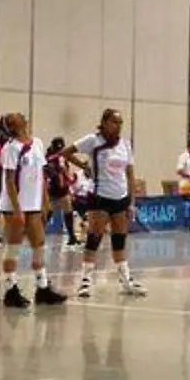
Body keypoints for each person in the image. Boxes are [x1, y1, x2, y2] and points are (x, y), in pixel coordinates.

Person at [57, 109, 146, 299]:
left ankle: (126, 280)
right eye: (114, 122)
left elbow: (130, 174)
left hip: (120, 197)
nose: (118, 126)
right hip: (100, 197)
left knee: (119, 240)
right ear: (104, 122)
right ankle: (85, 281)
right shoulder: (93, 141)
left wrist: (131, 201)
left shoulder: (125, 145)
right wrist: (83, 165)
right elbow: (65, 153)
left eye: (120, 122)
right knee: (94, 238)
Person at [0, 112, 67, 308]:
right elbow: (9, 180)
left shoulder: (37, 143)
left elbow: (40, 175)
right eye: (16, 117)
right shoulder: (10, 148)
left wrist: (44, 201)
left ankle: (42, 288)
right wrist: (17, 209)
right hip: (15, 206)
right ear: (12, 125)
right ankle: (10, 290)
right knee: (13, 246)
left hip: (33, 204)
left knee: (39, 244)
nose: (22, 116)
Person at [45, 137, 80, 247]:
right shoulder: (52, 158)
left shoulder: (56, 156)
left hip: (58, 188)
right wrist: (66, 182)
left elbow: (64, 170)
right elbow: (58, 173)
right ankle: (37, 233)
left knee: (65, 210)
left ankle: (72, 236)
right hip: (55, 187)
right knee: (52, 211)